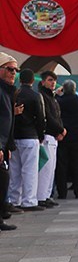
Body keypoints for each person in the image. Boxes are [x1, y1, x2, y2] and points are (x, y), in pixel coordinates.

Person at [9, 69, 45, 211]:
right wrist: (40, 135)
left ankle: (14, 200)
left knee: (15, 170)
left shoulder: (14, 94)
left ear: (20, 79)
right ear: (32, 81)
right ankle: (29, 201)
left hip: (14, 136)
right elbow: (41, 118)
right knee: (30, 170)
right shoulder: (36, 96)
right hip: (30, 136)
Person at [37, 71, 65, 208]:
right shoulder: (42, 96)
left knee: (51, 168)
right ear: (43, 82)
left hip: (54, 136)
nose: (53, 82)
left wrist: (60, 130)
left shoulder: (52, 97)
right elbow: (47, 117)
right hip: (47, 135)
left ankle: (47, 194)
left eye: (54, 80)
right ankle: (41, 196)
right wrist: (60, 129)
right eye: (49, 80)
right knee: (45, 168)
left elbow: (57, 116)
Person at [0, 53, 20, 230]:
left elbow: (7, 121)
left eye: (16, 70)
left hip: (3, 145)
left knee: (3, 180)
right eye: (9, 69)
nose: (13, 73)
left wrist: (8, 146)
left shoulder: (6, 92)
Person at [55, 80, 78, 199]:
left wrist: (57, 94)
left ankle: (62, 193)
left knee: (62, 165)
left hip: (63, 135)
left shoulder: (60, 101)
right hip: (77, 136)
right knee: (77, 165)